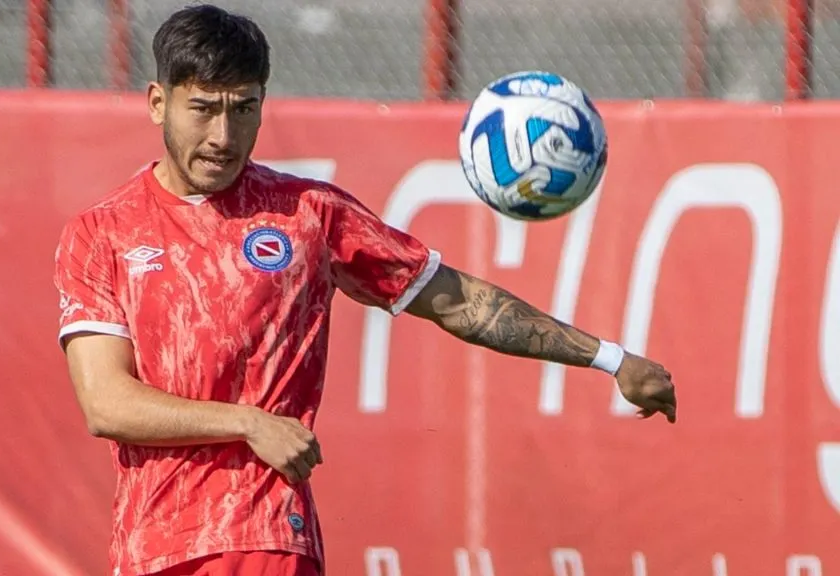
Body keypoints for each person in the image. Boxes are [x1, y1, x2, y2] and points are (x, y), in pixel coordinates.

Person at [52, 4, 677, 576]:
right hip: (146, 547)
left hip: (262, 538)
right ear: (158, 102)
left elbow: (458, 301)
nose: (223, 135)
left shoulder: (307, 213)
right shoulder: (102, 232)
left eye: (243, 109)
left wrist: (608, 358)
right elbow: (107, 404)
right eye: (203, 109)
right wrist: (248, 423)